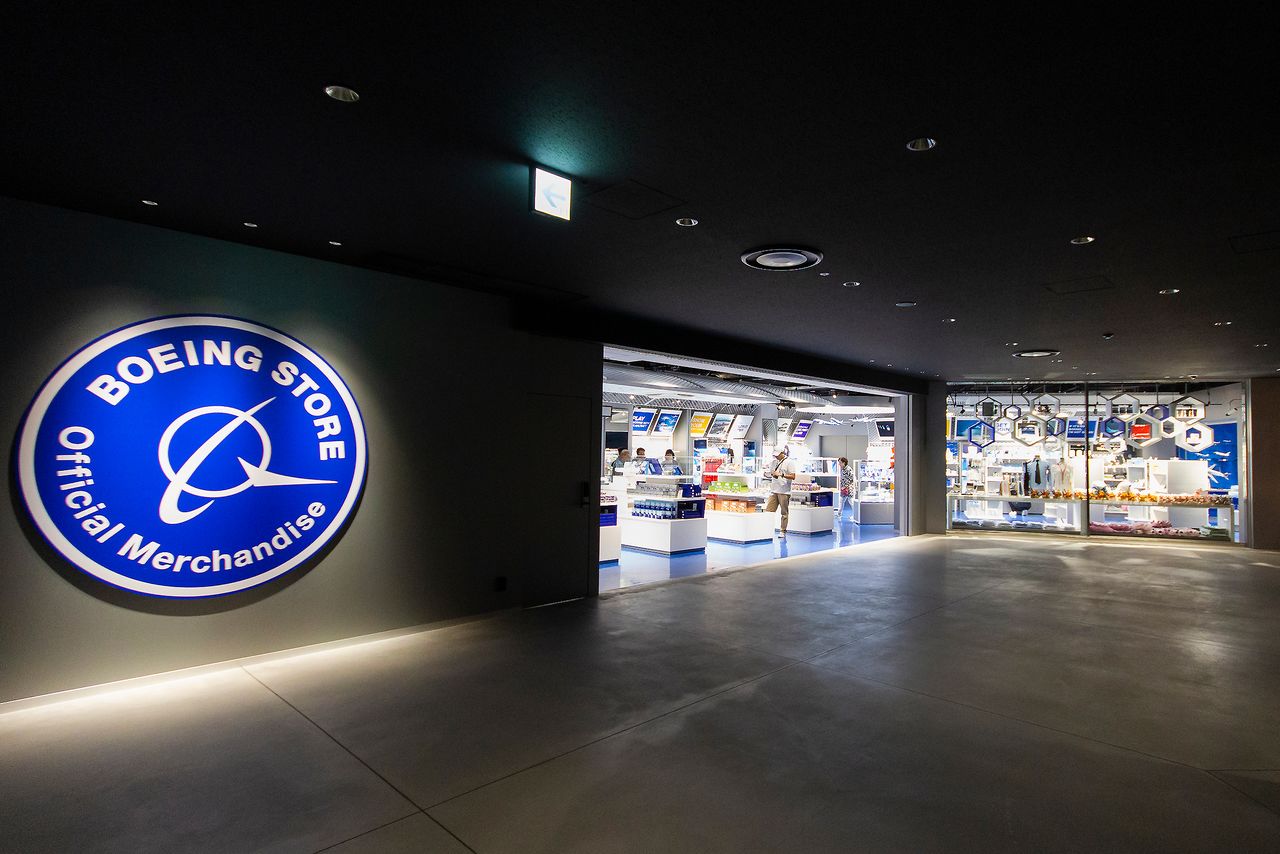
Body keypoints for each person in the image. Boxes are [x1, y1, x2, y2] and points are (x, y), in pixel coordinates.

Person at [765, 446, 797, 538]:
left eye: (777, 455)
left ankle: (783, 531)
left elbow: (793, 476)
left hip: (784, 491)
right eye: (775, 455)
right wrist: (769, 474)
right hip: (774, 490)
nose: (776, 456)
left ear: (782, 453)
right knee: (769, 511)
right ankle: (766, 530)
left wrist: (781, 474)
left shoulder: (789, 462)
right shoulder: (773, 462)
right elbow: (772, 474)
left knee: (784, 513)